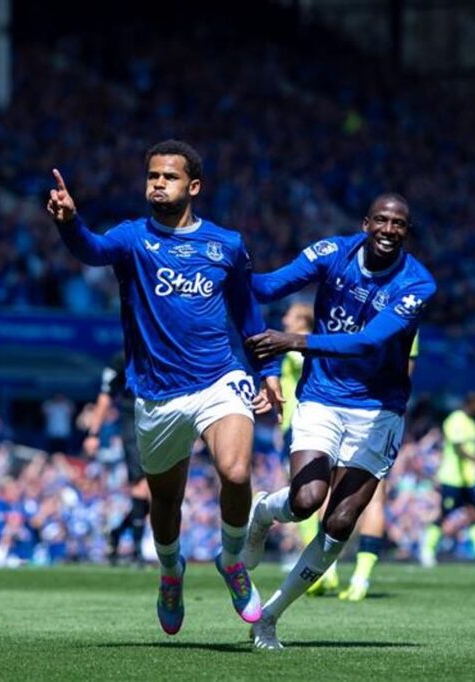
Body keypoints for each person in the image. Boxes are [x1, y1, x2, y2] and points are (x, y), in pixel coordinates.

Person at [47, 139, 281, 636]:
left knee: (236, 472)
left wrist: (268, 372)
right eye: (152, 176)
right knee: (165, 503)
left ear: (192, 186)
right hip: (156, 393)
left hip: (220, 377)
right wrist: (68, 221)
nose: (158, 183)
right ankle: (171, 571)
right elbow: (91, 250)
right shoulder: (132, 238)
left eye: (169, 177)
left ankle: (232, 560)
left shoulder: (227, 244)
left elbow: (247, 314)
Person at [242, 193, 435, 650]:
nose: (389, 229)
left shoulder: (418, 284)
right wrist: (230, 267)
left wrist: (292, 340)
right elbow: (267, 288)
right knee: (307, 500)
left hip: (380, 409)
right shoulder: (332, 252)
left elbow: (369, 342)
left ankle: (269, 617)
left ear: (406, 232)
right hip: (323, 397)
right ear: (366, 222)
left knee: (342, 521)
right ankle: (265, 511)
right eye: (381, 220)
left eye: (399, 224)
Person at [336, 331, 420, 602]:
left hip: (342, 403)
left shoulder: (353, 299)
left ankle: (327, 571)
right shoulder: (407, 309)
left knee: (329, 491)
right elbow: (406, 370)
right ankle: (361, 577)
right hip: (381, 411)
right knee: (374, 497)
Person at [418, 393, 475, 569]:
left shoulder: (471, 422)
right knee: (445, 515)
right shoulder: (455, 420)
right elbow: (458, 447)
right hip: (452, 478)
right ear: (471, 404)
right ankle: (427, 550)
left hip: (468, 479)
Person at [82, 351, 150, 566]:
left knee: (158, 494)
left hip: (163, 421)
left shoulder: (165, 348)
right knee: (142, 486)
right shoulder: (122, 358)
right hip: (133, 422)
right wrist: (94, 433)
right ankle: (137, 552)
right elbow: (106, 395)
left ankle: (117, 533)